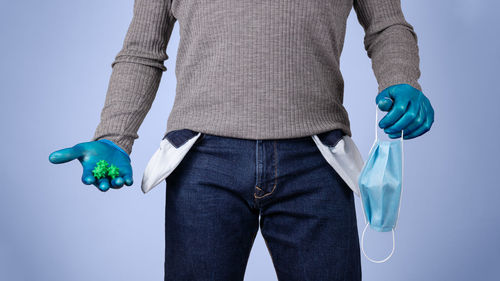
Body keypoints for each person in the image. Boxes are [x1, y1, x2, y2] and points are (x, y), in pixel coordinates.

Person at [49, 0, 434, 280]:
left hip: (317, 160)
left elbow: (387, 25)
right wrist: (115, 136)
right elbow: (142, 51)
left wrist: (401, 77)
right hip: (203, 161)